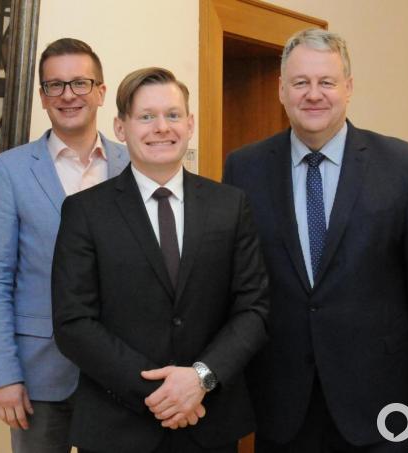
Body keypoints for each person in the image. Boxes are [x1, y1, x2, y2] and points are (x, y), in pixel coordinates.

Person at [223, 28, 408, 452]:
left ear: (348, 88)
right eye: (301, 83)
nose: (313, 94)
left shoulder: (402, 166)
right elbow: (236, 287)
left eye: (326, 82)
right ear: (281, 90)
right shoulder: (245, 168)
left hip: (382, 403)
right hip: (283, 406)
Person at [51, 67, 270, 453]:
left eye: (172, 115)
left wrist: (200, 378)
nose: (161, 127)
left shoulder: (230, 205)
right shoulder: (85, 212)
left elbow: (253, 309)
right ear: (121, 127)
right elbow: (74, 322)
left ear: (190, 124)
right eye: (146, 117)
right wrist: (162, 393)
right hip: (117, 427)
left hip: (210, 423)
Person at [0, 38, 128, 453]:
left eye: (80, 83)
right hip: (39, 375)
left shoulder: (132, 165)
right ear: (42, 97)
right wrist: (4, 374)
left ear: (100, 90)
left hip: (122, 369)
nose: (68, 95)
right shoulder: (9, 171)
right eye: (55, 86)